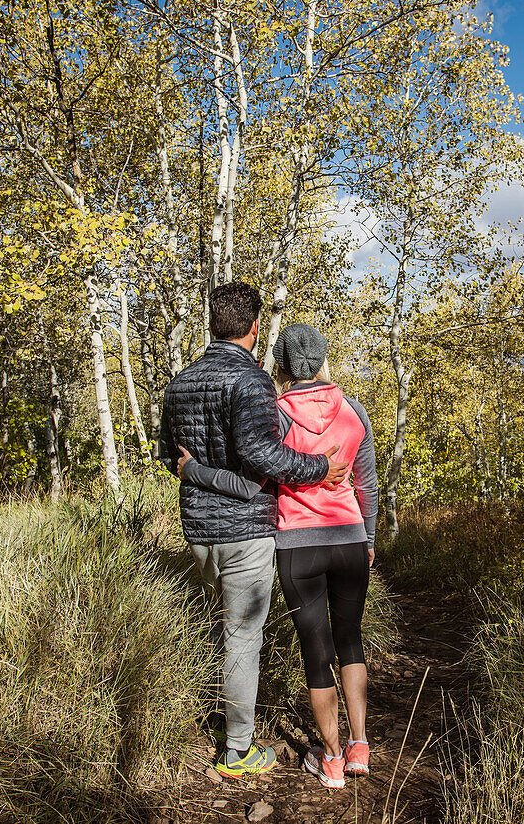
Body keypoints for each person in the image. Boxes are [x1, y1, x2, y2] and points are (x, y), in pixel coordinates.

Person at [177, 323, 378, 790]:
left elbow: (261, 475)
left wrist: (196, 470)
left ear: (282, 364)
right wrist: (368, 538)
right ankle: (359, 744)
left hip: (296, 546)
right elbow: (365, 484)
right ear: (324, 359)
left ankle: (331, 759)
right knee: (350, 639)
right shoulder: (355, 412)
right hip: (348, 538)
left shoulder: (276, 415)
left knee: (315, 648)